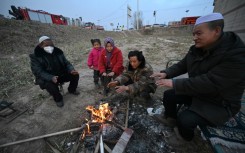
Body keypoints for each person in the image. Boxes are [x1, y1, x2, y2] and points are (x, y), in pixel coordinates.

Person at [151, 13, 245, 141]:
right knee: (169, 95)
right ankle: (171, 119)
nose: (194, 38)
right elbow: (182, 65)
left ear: (216, 31)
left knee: (185, 120)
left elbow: (210, 82)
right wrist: (166, 73)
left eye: (199, 34)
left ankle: (185, 139)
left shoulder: (236, 56)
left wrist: (174, 83)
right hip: (199, 93)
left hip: (219, 102)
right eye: (194, 34)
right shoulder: (197, 48)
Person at [30, 36, 80, 107]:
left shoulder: (58, 52)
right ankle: (58, 99)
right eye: (47, 45)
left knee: (75, 75)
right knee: (50, 85)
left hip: (60, 74)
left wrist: (71, 70)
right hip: (48, 77)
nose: (50, 47)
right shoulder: (35, 56)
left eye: (51, 45)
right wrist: (51, 77)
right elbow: (38, 71)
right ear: (41, 45)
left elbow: (66, 63)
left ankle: (72, 90)